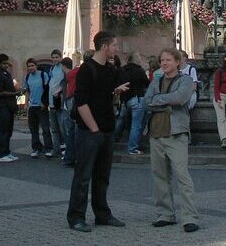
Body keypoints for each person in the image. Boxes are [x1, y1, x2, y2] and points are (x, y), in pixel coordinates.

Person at [66, 32, 127, 233]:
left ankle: (102, 214)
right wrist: (93, 128)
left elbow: (102, 94)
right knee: (83, 176)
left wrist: (115, 91)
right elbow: (81, 102)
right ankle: (76, 217)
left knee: (102, 176)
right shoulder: (86, 69)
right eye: (113, 45)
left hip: (107, 129)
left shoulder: (109, 69)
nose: (115, 48)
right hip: (90, 132)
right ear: (104, 46)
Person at [143, 48, 201, 233]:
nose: (164, 63)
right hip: (156, 133)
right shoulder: (156, 80)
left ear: (177, 62)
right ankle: (165, 214)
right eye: (162, 61)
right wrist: (166, 103)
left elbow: (181, 98)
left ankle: (190, 218)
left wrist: (159, 100)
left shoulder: (185, 80)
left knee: (182, 177)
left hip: (176, 134)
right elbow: (146, 102)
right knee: (160, 176)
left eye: (168, 60)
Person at [0, 55, 20, 162]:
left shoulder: (7, 74)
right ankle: (1, 154)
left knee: (9, 129)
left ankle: (6, 151)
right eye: (4, 63)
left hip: (9, 105)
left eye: (7, 63)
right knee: (3, 129)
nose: (6, 65)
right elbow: (0, 92)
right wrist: (14, 93)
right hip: (2, 105)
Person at [121, 52, 151, 155]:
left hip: (126, 99)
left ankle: (129, 142)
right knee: (137, 125)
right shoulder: (139, 70)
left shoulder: (123, 70)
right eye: (139, 58)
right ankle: (133, 147)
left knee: (129, 124)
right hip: (138, 98)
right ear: (136, 60)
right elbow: (147, 83)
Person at [25, 57, 53, 158]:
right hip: (32, 106)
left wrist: (44, 103)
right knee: (33, 129)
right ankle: (36, 148)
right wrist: (26, 103)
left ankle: (48, 148)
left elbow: (47, 90)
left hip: (41, 106)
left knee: (45, 128)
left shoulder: (43, 75)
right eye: (29, 66)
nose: (31, 68)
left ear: (36, 66)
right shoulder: (27, 77)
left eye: (32, 66)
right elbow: (27, 91)